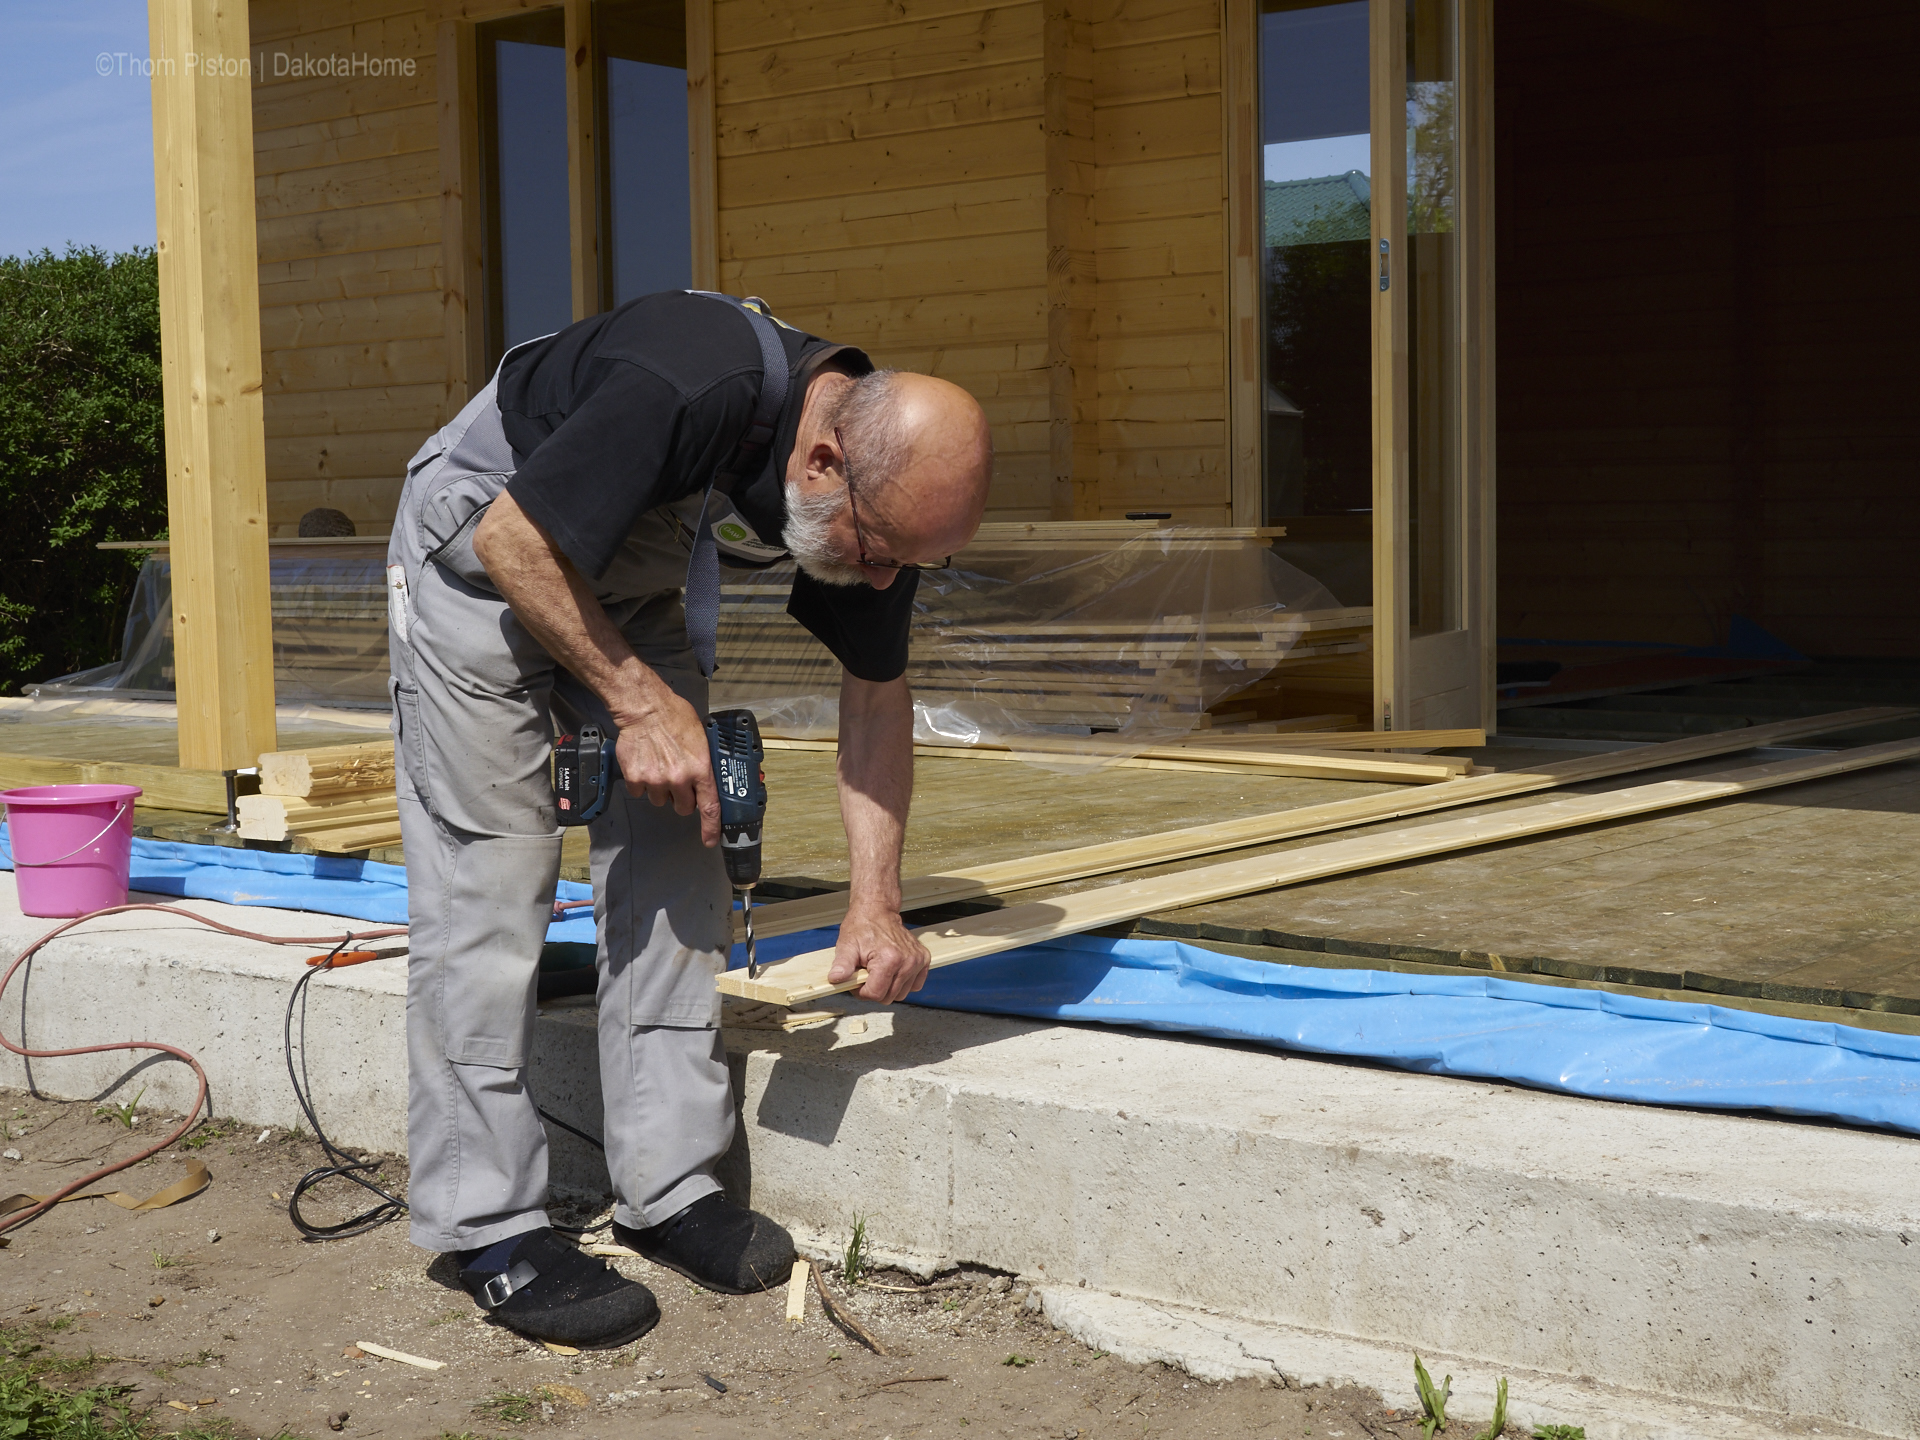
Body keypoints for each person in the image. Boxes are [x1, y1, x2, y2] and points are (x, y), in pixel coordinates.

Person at [384, 290, 992, 1348]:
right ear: (820, 467)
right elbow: (515, 538)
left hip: (621, 578)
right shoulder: (687, 381)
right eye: (881, 549)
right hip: (482, 553)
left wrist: (876, 905)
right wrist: (635, 699)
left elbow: (875, 690)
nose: (884, 576)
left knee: (683, 849)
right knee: (489, 880)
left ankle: (669, 1190)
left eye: (909, 562)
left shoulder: (883, 473)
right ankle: (485, 1227)